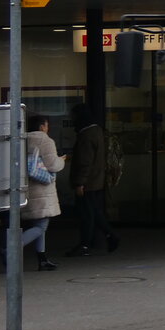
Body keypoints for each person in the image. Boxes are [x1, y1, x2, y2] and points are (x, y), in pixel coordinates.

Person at [65, 103, 119, 257]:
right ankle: (106, 237)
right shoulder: (97, 131)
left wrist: (80, 182)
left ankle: (88, 243)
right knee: (93, 211)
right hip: (96, 179)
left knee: (87, 214)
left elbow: (84, 161)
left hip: (87, 182)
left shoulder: (86, 135)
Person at [22, 113, 65, 271]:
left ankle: (42, 258)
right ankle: (10, 248)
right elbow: (53, 165)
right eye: (47, 125)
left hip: (27, 188)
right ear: (42, 126)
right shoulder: (45, 140)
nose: (48, 128)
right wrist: (62, 160)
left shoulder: (23, 139)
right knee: (41, 226)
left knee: (39, 224)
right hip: (42, 189)